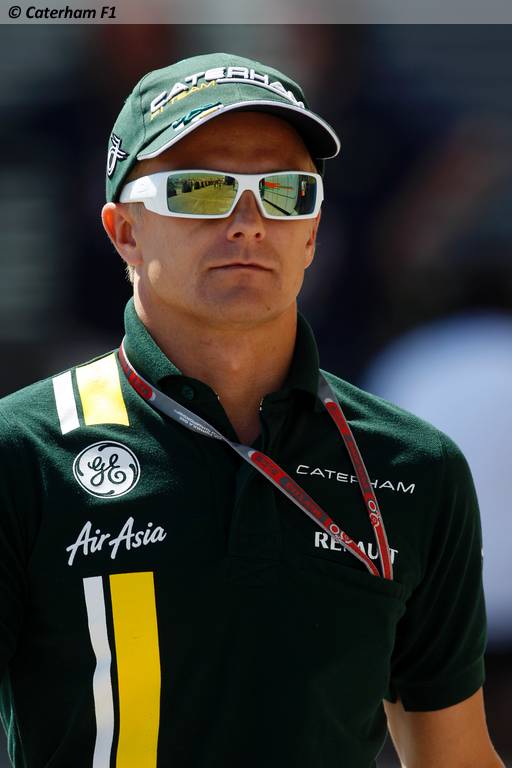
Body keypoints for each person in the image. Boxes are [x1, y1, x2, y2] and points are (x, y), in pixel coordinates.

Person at [0, 52, 504, 768]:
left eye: (286, 192)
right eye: (199, 189)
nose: (248, 221)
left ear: (314, 232)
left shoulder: (416, 468)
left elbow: (455, 757)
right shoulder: (22, 452)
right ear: (124, 232)